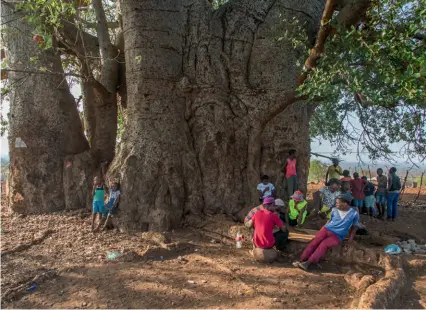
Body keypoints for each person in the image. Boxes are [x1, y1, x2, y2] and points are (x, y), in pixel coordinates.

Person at [294, 193, 359, 271]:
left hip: (337, 235)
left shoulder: (354, 213)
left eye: (338, 203)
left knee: (323, 244)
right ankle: (301, 260)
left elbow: (354, 227)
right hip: (326, 229)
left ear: (345, 204)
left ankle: (308, 263)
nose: (336, 204)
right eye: (336, 202)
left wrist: (350, 239)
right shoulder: (334, 210)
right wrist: (322, 229)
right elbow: (329, 221)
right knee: (314, 242)